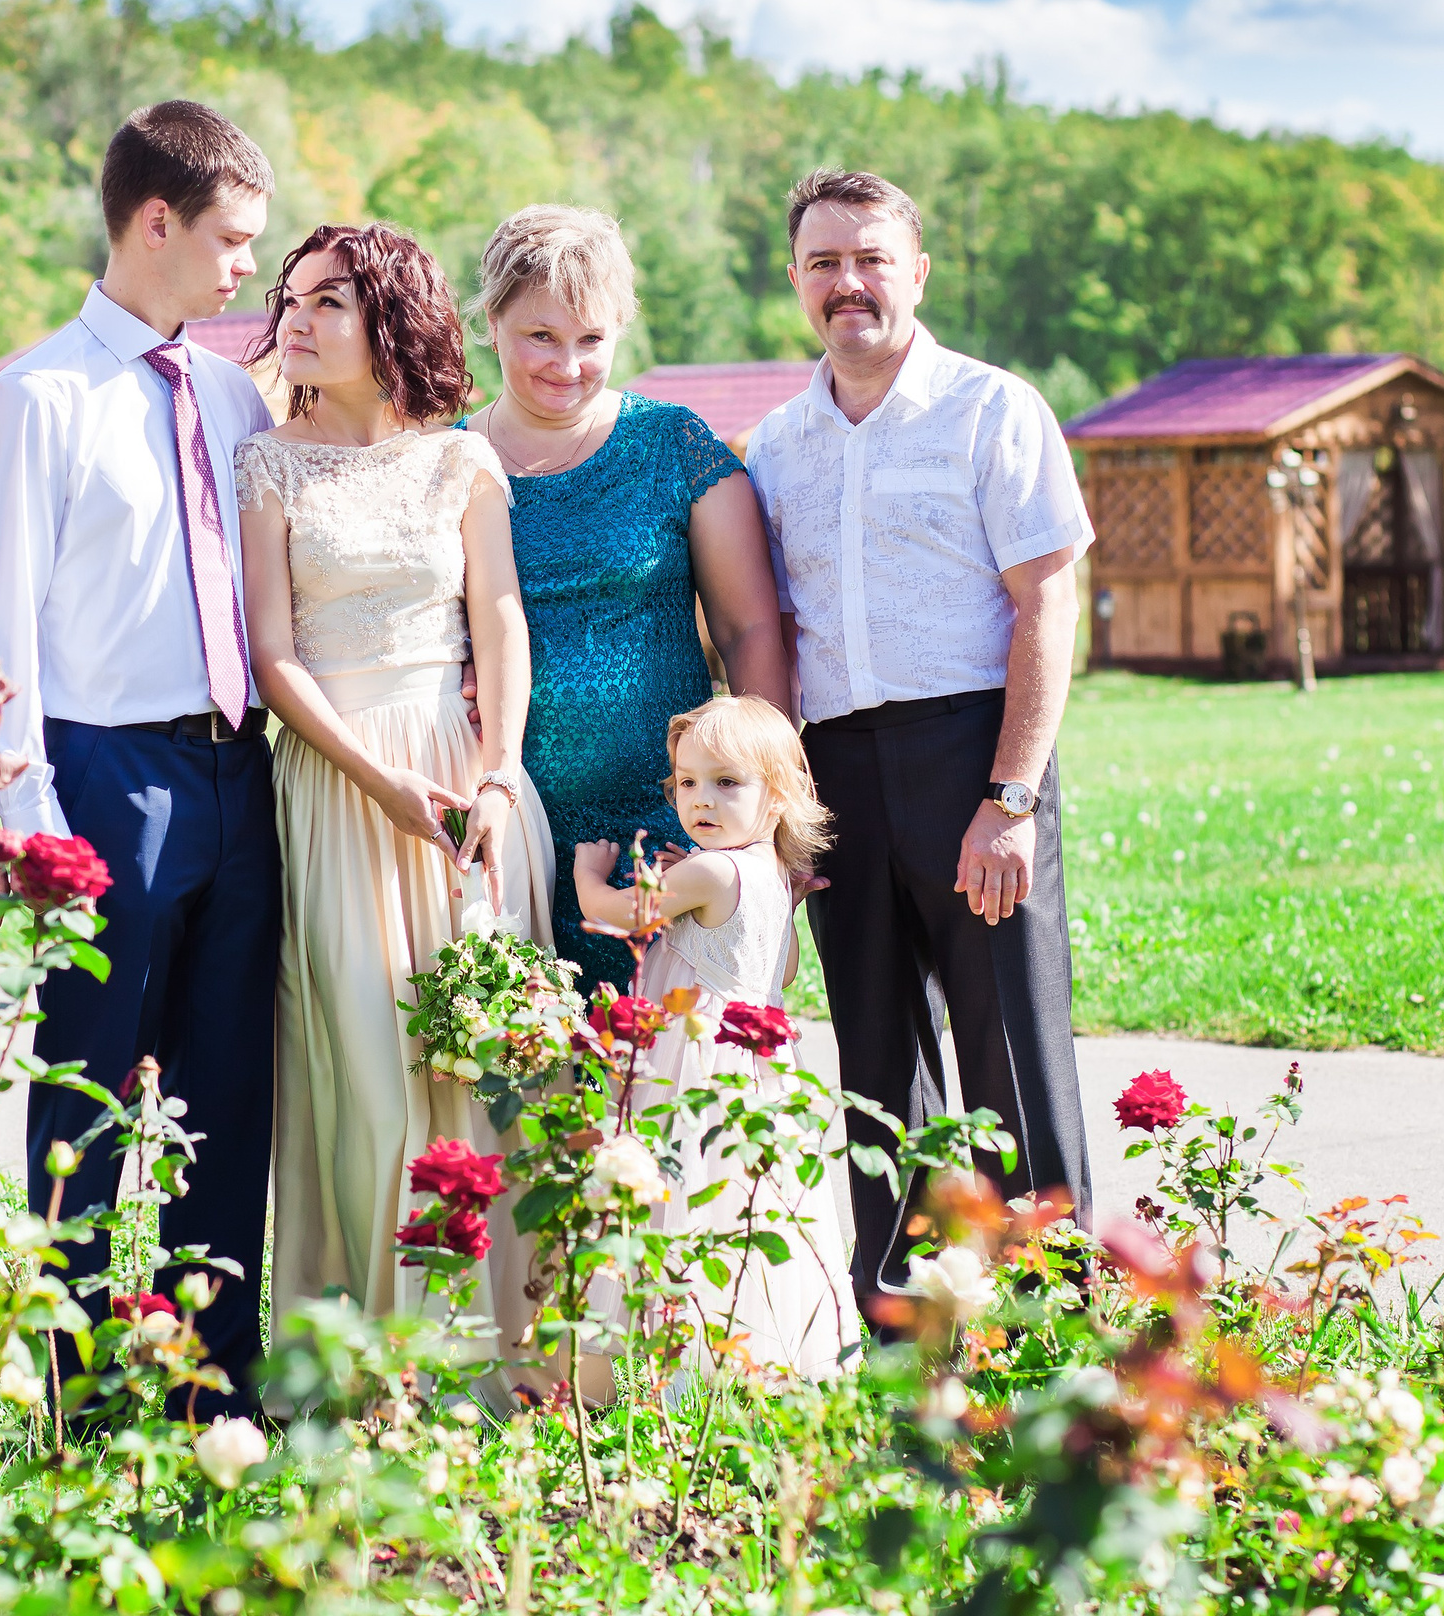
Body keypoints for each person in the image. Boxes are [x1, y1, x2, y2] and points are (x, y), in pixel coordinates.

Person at [0, 101, 280, 1417]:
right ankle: (76, 1389)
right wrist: (34, 816)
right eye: (231, 240)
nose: (247, 268)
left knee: (226, 1090)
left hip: (235, 772)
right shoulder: (39, 396)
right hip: (103, 778)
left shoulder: (230, 389)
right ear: (156, 222)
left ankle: (215, 1382)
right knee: (87, 1098)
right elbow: (3, 619)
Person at [743, 168, 1095, 1307]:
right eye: (824, 263)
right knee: (876, 1074)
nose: (849, 283)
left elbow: (1048, 604)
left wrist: (1011, 799)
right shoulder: (776, 445)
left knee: (1010, 1063)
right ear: (795, 279)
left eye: (871, 259)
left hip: (973, 765)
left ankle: (1050, 1340)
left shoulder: (992, 409)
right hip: (838, 774)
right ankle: (901, 1341)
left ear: (917, 271)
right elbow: (777, 631)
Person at [232, 223, 552, 1398]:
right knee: (365, 1073)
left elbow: (500, 619)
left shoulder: (460, 461)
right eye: (292, 300)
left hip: (468, 783)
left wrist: (502, 769)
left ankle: (491, 1366)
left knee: (475, 1067)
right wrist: (376, 779)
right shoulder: (267, 464)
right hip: (335, 783)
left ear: (391, 323)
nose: (297, 322)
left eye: (328, 304)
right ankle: (365, 1366)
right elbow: (272, 657)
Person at [460, 205, 789, 996]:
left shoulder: (674, 445)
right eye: (541, 335)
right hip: (512, 813)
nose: (567, 363)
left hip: (673, 816)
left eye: (592, 340)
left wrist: (767, 819)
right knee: (525, 1072)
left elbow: (750, 629)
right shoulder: (451, 455)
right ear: (494, 320)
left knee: (666, 1066)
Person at [574, 696, 855, 1378]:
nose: (701, 799)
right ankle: (756, 1348)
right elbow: (781, 966)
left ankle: (665, 1354)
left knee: (680, 1188)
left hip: (690, 1059)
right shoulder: (770, 877)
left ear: (778, 794)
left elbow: (619, 916)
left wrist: (588, 872)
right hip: (754, 1065)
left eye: (727, 783)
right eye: (688, 782)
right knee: (745, 1200)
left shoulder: (707, 872)